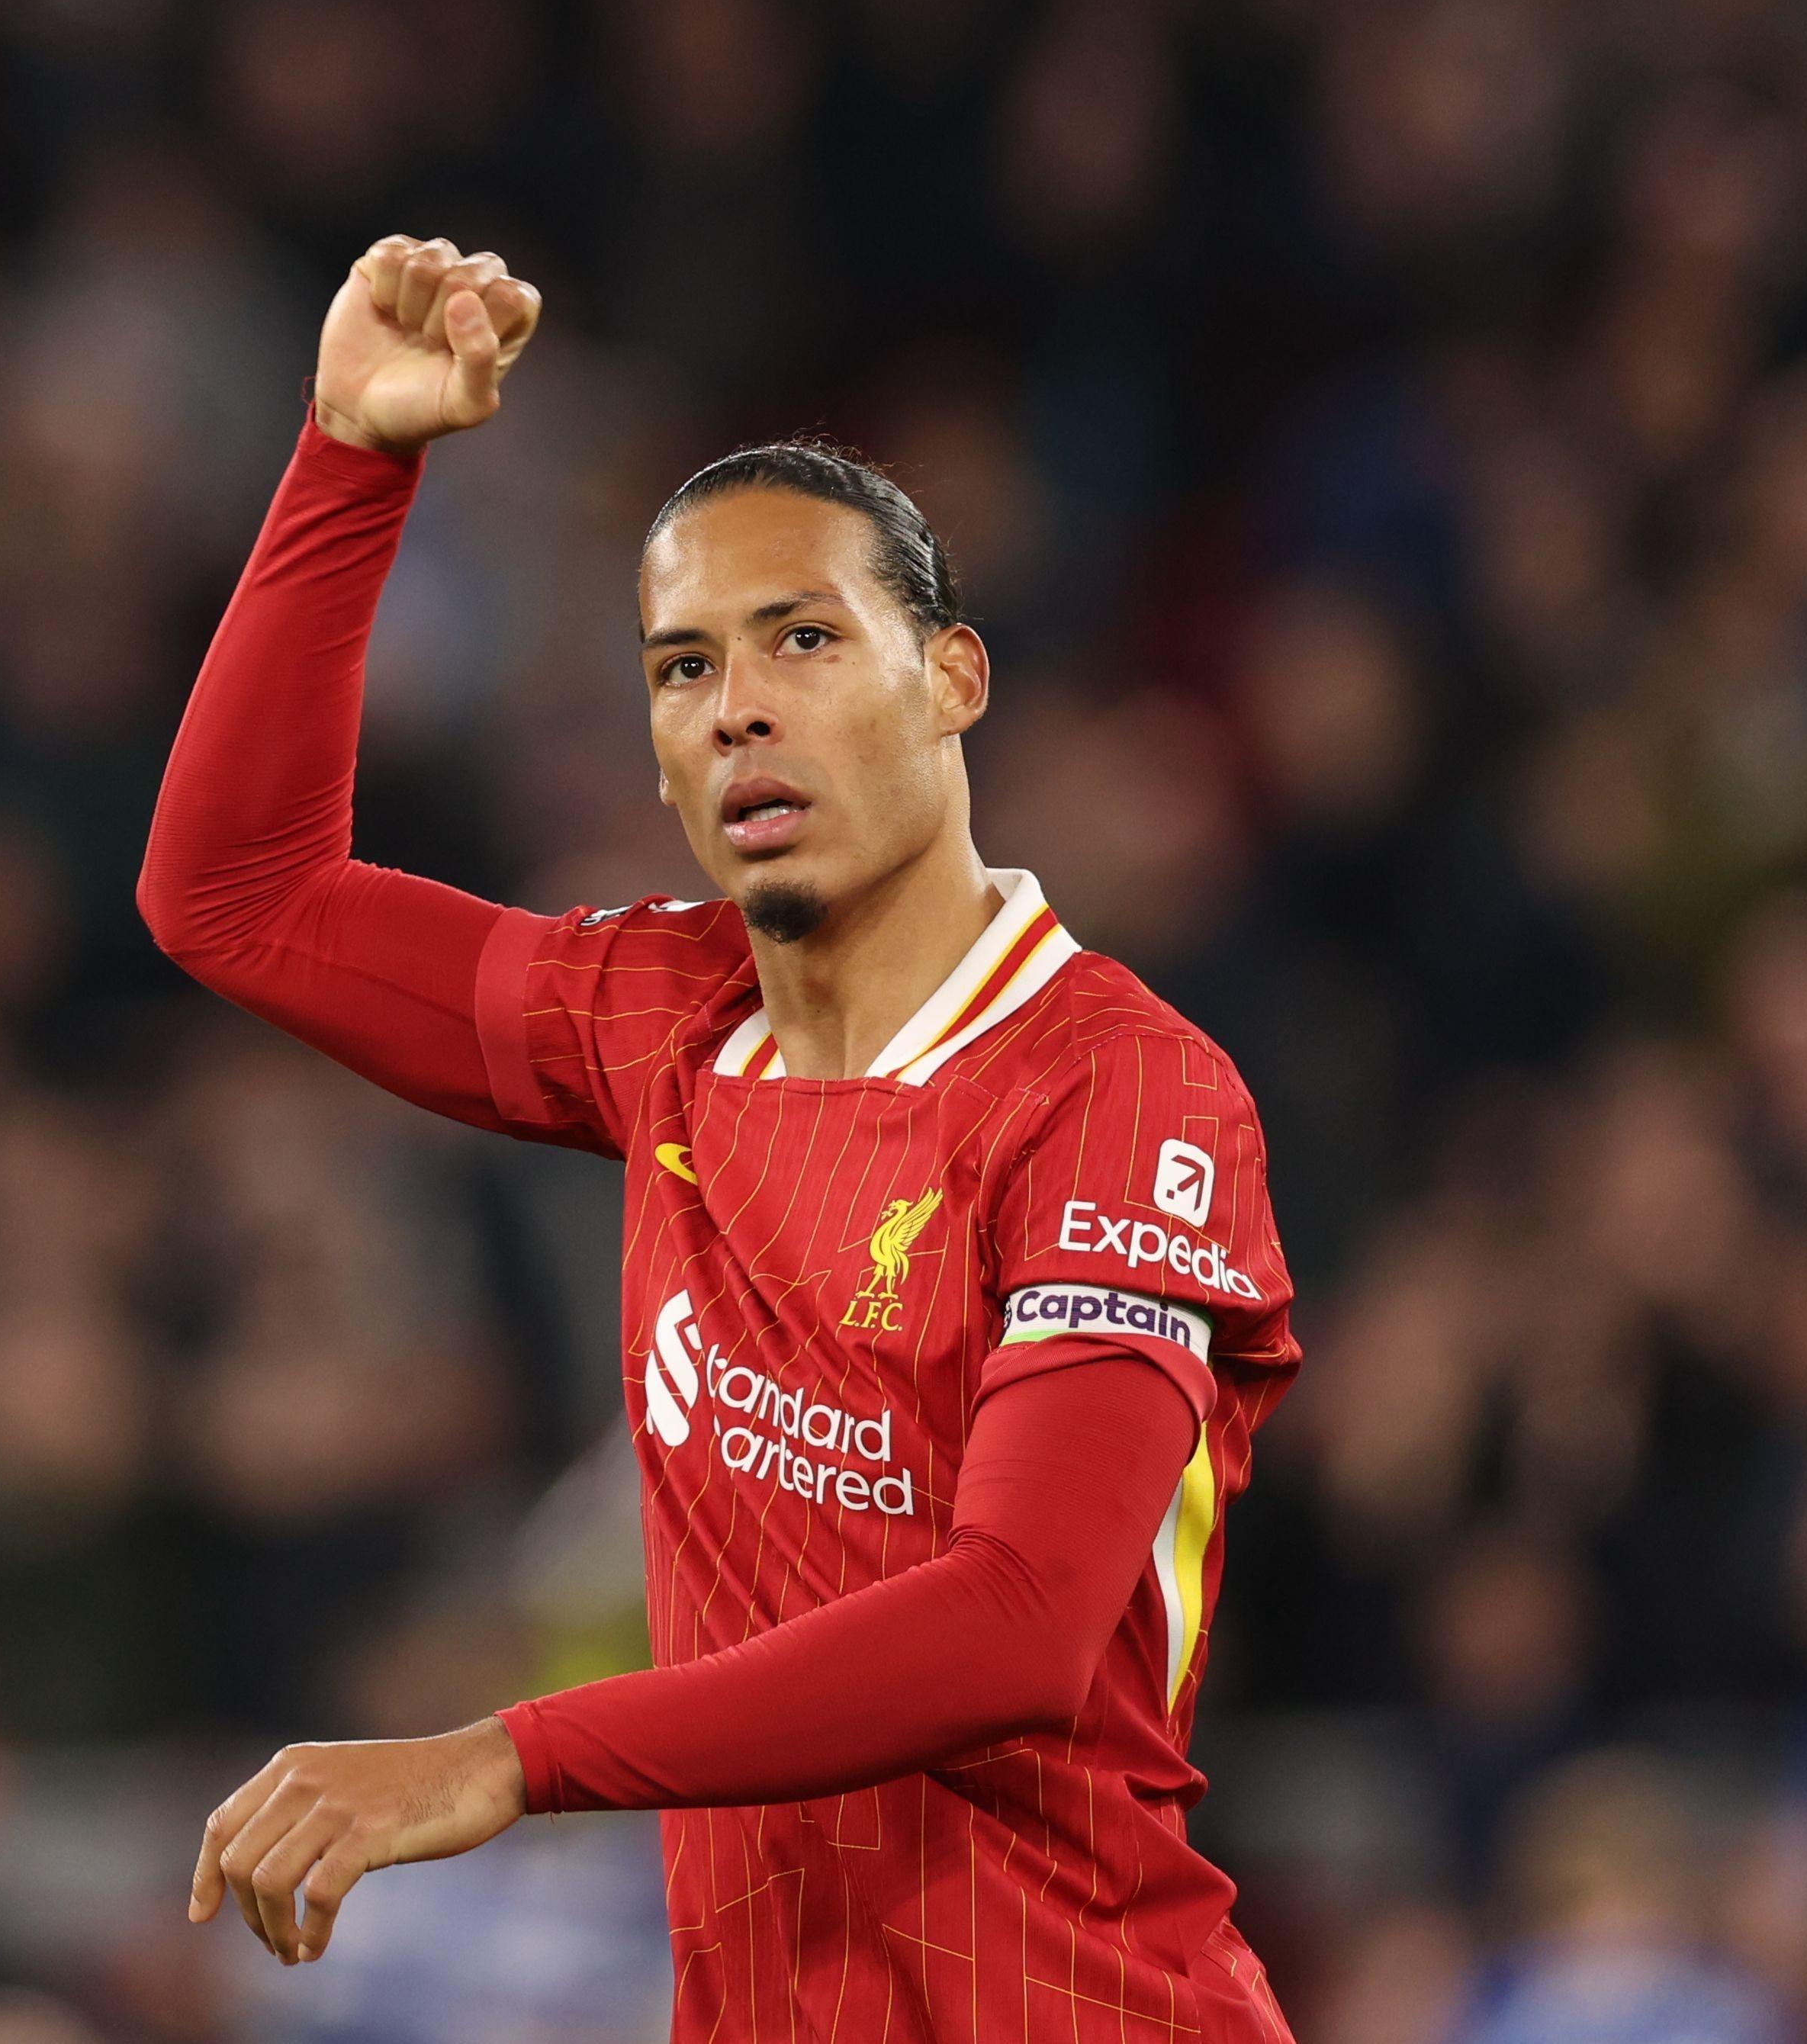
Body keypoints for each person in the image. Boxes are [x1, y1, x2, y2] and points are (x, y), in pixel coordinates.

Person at [140, 235, 1302, 2042]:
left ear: (951, 678)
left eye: (802, 638)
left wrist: (502, 1756)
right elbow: (232, 893)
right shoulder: (658, 1013)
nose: (736, 702)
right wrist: (352, 461)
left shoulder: (1116, 1089)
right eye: (681, 666)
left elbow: (1013, 1620)